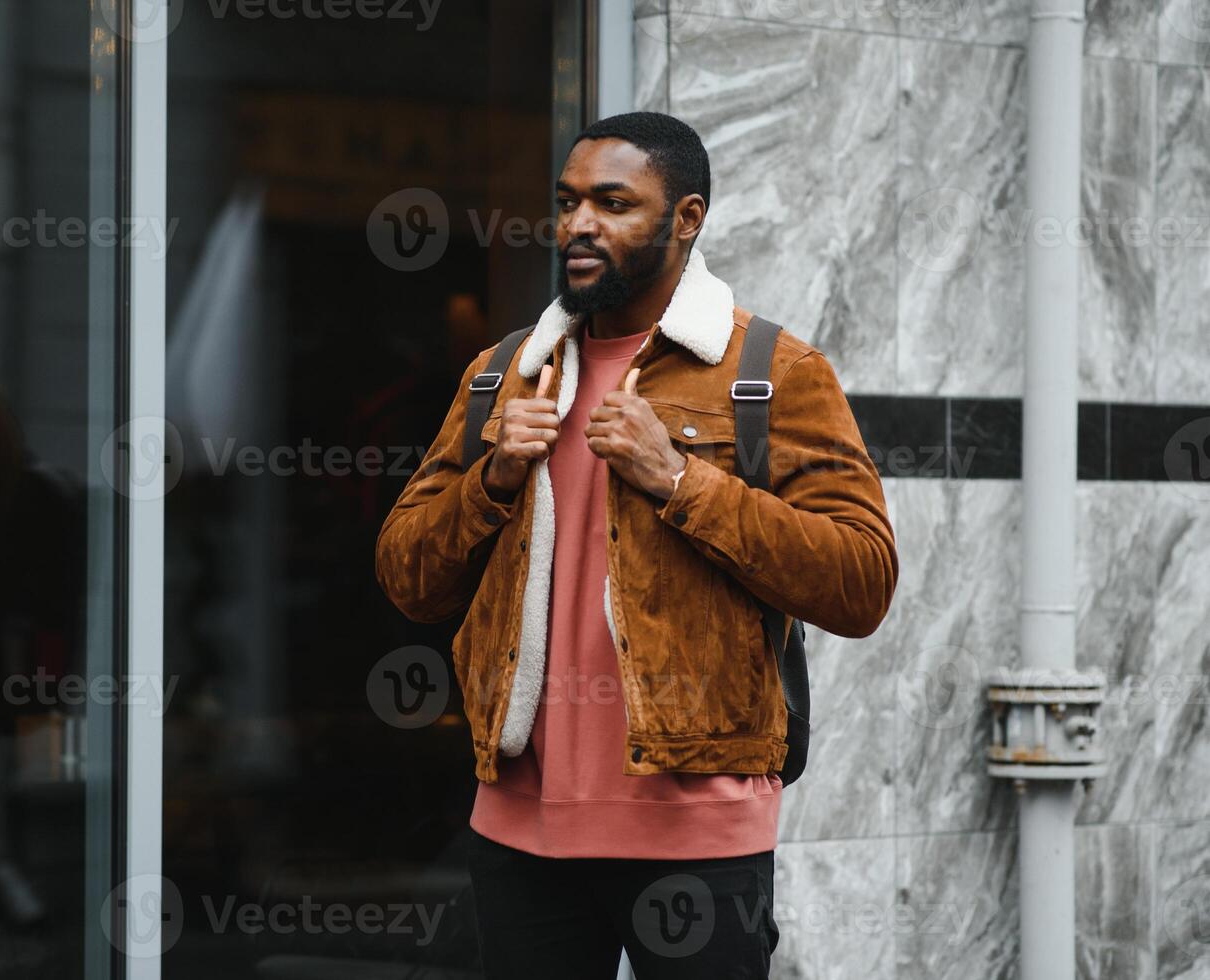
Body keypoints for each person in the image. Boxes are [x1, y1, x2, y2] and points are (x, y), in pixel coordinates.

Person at [375, 111, 898, 978]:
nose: (578, 224)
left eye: (613, 203)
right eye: (568, 201)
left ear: (686, 218)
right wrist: (492, 479)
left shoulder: (771, 372)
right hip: (519, 828)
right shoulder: (503, 375)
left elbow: (862, 582)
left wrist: (682, 480)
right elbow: (407, 578)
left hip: (698, 828)